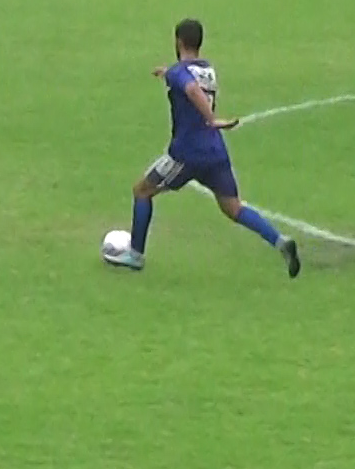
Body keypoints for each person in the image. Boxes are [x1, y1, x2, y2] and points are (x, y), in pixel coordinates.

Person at [105, 19, 302, 277]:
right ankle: (280, 241)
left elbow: (191, 90)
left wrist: (210, 118)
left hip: (186, 154)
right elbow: (190, 81)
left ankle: (136, 255)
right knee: (233, 208)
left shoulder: (181, 75)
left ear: (178, 41)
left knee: (142, 191)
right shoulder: (207, 69)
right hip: (215, 152)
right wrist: (168, 73)